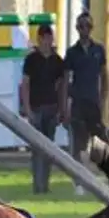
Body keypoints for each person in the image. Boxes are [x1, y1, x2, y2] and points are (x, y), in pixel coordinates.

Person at [60, 12, 109, 195]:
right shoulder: (72, 52)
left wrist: (103, 100)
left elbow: (104, 76)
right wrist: (64, 107)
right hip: (78, 103)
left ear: (92, 28)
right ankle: (78, 183)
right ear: (77, 28)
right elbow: (66, 80)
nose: (85, 30)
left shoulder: (99, 50)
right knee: (78, 145)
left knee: (102, 142)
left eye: (88, 26)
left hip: (93, 103)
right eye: (81, 26)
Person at [21, 24, 65, 194]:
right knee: (37, 149)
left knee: (49, 149)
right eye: (45, 38)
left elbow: (61, 87)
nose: (48, 41)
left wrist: (61, 109)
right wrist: (27, 109)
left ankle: (45, 184)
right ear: (39, 39)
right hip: (36, 108)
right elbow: (25, 85)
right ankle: (37, 185)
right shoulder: (31, 60)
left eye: (50, 37)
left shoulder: (57, 61)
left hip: (52, 108)